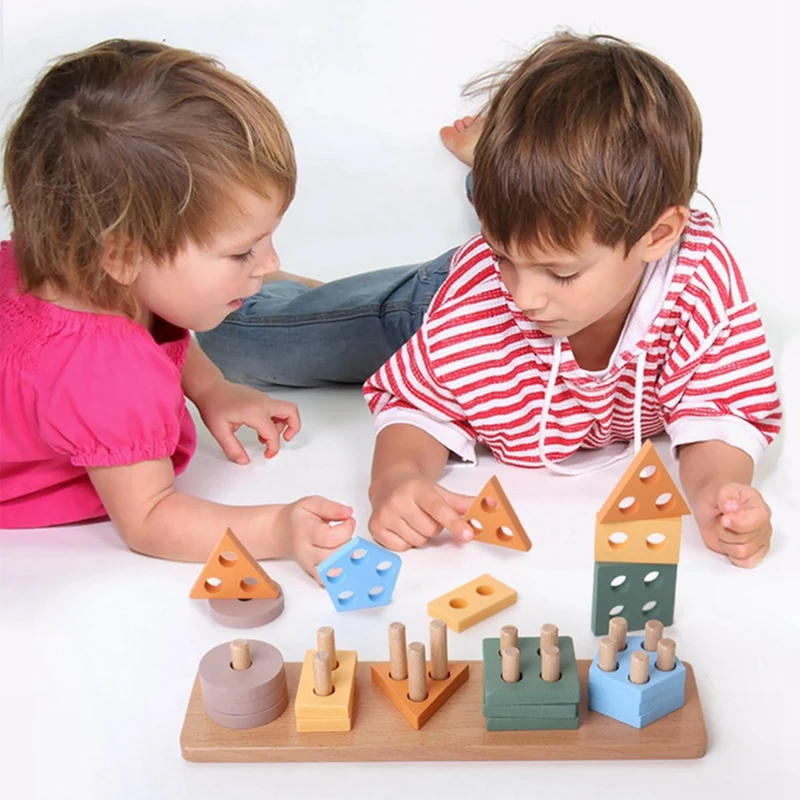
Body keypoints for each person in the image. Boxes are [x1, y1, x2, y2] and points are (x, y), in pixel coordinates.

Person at [361, 34, 781, 568]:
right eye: (505, 257)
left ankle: (488, 172)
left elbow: (718, 408)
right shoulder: (485, 292)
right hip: (430, 292)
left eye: (560, 273)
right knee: (262, 333)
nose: (524, 297)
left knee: (540, 224)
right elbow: (418, 402)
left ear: (659, 235)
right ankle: (487, 175)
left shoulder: (701, 280)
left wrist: (718, 493)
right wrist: (396, 478)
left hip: (528, 231)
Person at [0, 39, 356, 579]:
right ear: (121, 253)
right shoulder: (107, 376)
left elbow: (153, 319)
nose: (271, 262)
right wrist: (276, 529)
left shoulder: (74, 257)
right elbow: (149, 517)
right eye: (242, 252)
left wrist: (210, 387)